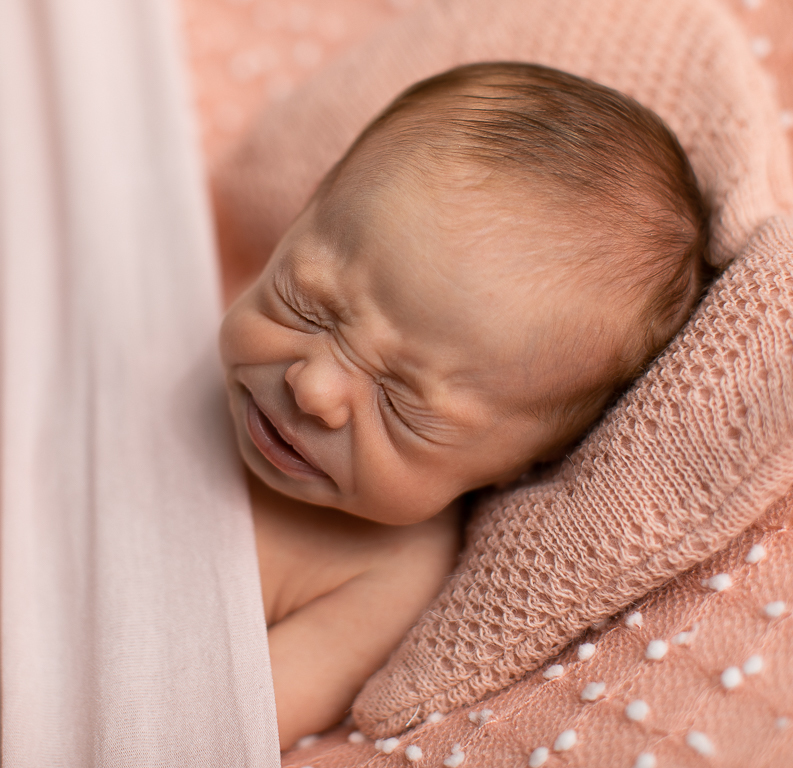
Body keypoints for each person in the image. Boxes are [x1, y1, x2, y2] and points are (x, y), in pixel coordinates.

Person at [218, 62, 711, 748]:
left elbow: (216, 727)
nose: (313, 387)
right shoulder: (193, 320)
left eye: (401, 403)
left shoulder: (385, 574)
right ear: (302, 214)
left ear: (520, 462)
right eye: (308, 305)